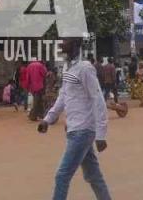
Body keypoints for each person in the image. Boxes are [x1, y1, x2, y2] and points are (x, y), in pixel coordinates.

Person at [38, 40, 111, 200]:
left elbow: (97, 99)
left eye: (66, 40)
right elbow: (63, 96)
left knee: (62, 175)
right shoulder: (68, 68)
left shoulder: (85, 68)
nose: (61, 43)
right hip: (74, 129)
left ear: (76, 44)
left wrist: (101, 134)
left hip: (83, 130)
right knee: (93, 176)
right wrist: (48, 119)